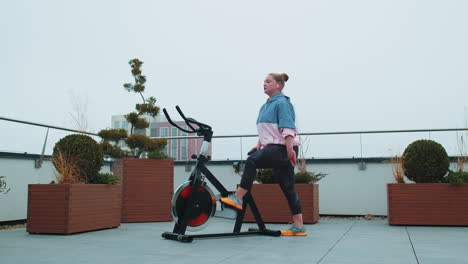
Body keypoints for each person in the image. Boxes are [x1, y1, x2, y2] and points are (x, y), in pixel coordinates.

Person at [220, 73, 306, 236]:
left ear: (279, 85)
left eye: (268, 81)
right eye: (264, 82)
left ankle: (237, 198)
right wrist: (259, 145)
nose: (264, 84)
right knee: (288, 187)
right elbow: (266, 131)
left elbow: (288, 128)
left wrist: (289, 151)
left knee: (252, 161)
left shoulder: (282, 103)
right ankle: (299, 226)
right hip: (275, 147)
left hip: (283, 148)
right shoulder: (266, 106)